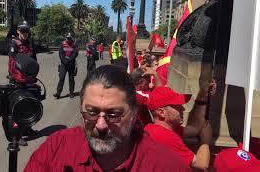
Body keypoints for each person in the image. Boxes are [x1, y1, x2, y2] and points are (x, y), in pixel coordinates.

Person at [24, 65, 191, 172]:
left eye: (114, 114)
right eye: (91, 112)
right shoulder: (56, 148)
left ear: (133, 114)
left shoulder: (166, 166)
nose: (101, 125)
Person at [143, 81, 217, 170]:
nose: (183, 108)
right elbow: (201, 164)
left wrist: (202, 95)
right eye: (177, 106)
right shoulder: (163, 136)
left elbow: (196, 128)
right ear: (161, 112)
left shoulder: (160, 128)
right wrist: (205, 142)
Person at [53, 33, 78, 99]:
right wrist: (64, 61)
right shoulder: (62, 44)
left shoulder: (74, 44)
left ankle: (71, 93)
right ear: (65, 38)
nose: (68, 39)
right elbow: (61, 53)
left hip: (71, 64)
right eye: (67, 38)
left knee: (71, 79)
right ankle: (58, 93)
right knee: (61, 78)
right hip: (63, 64)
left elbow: (75, 53)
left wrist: (69, 59)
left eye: (69, 38)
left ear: (71, 38)